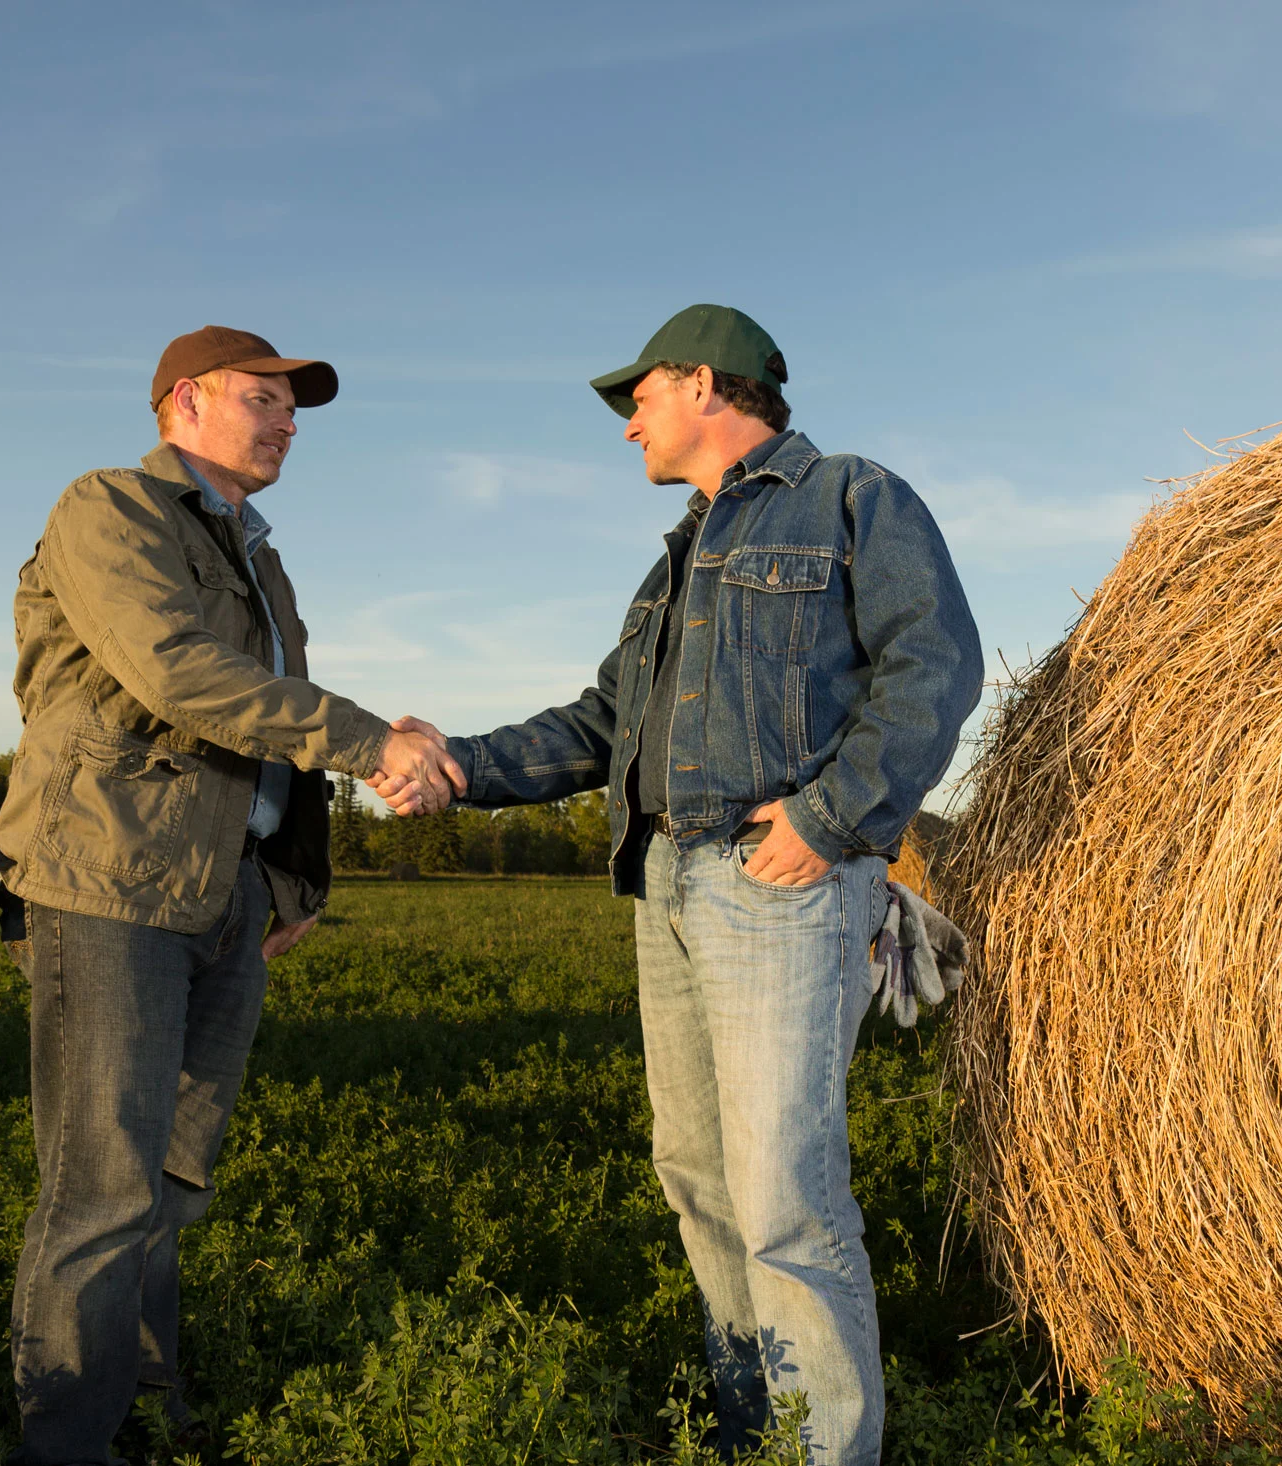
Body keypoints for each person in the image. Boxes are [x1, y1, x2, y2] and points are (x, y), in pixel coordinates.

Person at [374, 304, 983, 1463]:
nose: (627, 429)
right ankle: (759, 1432)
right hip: (665, 879)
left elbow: (934, 663)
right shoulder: (676, 560)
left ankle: (826, 1452)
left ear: (704, 382)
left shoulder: (853, 496)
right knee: (697, 1177)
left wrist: (829, 816)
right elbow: (606, 723)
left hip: (776, 881)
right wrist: (459, 764)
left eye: (638, 399)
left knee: (784, 1198)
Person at [0, 325, 466, 1464]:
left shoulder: (262, 558)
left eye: (292, 405)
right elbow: (181, 673)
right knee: (102, 1185)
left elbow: (270, 723)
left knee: (169, 1176)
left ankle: (143, 1410)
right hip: (110, 885)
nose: (287, 419)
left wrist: (290, 873)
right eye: (264, 398)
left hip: (224, 895)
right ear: (181, 403)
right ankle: (63, 1441)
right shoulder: (109, 508)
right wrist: (374, 741)